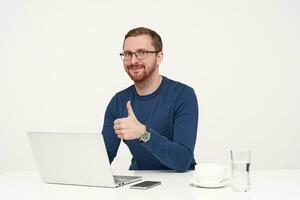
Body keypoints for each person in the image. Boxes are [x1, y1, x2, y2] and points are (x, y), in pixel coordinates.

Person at [102, 27, 199, 172]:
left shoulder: (183, 95)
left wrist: (143, 133)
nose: (133, 60)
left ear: (159, 57)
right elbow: (103, 157)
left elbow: (182, 161)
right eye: (128, 54)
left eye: (141, 53)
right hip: (139, 183)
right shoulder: (118, 101)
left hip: (180, 184)